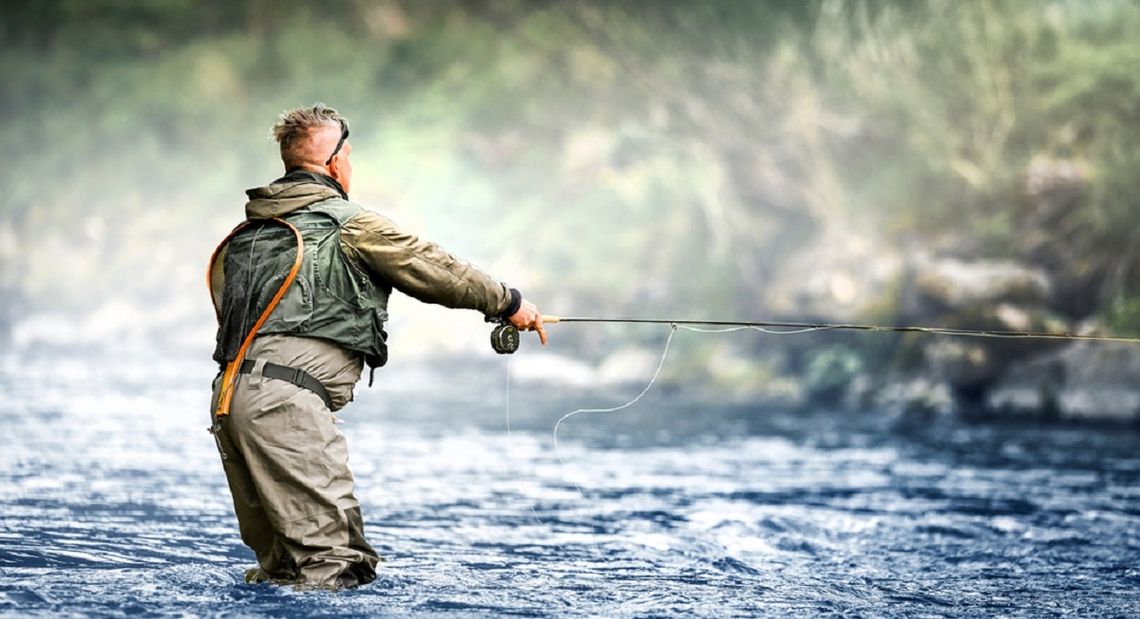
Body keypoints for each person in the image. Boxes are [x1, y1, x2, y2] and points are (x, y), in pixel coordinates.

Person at [206, 103, 547, 589]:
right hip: (284, 402)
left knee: (281, 570)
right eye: (350, 153)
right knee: (336, 565)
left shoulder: (252, 234)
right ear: (334, 161)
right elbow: (433, 268)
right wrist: (508, 301)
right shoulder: (349, 224)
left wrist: (304, 398)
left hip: (231, 400)